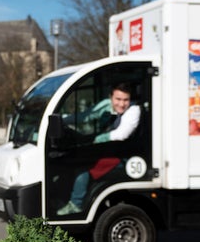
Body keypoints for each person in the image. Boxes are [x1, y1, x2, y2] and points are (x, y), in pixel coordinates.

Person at [57, 82, 140, 215]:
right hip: (109, 150)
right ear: (111, 97)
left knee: (83, 167)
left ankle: (76, 205)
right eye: (118, 99)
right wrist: (61, 121)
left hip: (123, 157)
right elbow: (85, 116)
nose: (122, 104)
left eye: (126, 100)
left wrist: (98, 139)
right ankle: (62, 197)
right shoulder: (107, 105)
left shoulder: (134, 110)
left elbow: (122, 134)